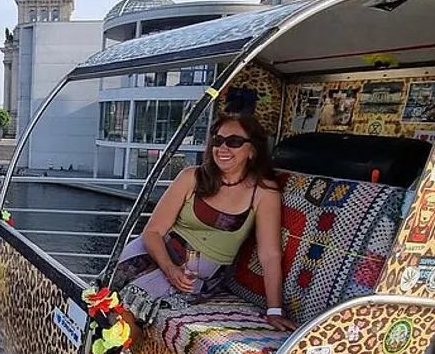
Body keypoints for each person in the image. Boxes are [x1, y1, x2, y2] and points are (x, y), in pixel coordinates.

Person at [112, 113, 297, 333]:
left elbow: (269, 254)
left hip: (197, 273)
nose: (222, 148)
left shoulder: (263, 192)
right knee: (106, 296)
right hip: (157, 252)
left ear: (252, 150)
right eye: (217, 141)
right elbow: (153, 231)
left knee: (129, 306)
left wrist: (274, 310)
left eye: (234, 142)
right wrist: (170, 268)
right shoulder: (191, 177)